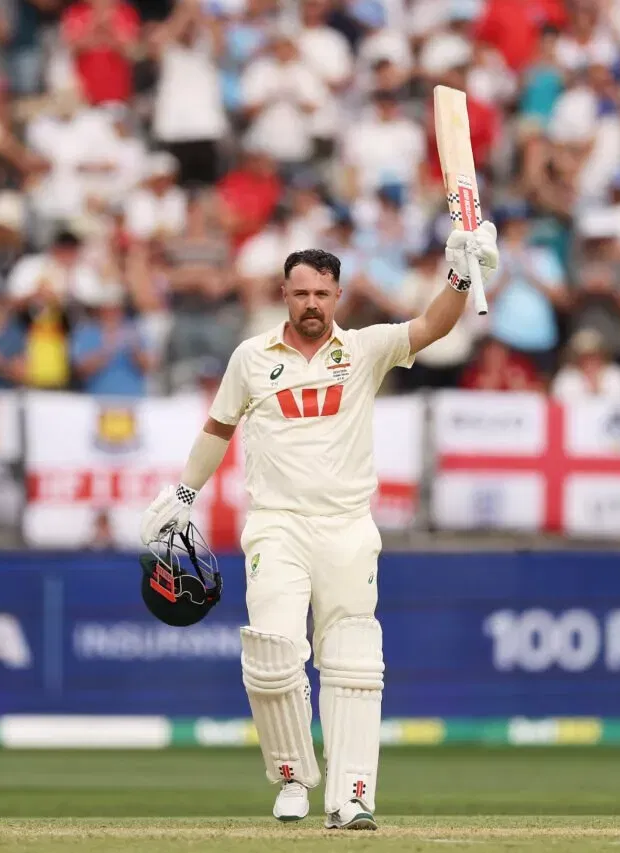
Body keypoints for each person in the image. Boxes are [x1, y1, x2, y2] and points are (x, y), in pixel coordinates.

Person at [138, 226, 499, 830]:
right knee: (273, 655)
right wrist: (183, 492)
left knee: (355, 663)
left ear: (338, 297)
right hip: (277, 526)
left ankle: (351, 795)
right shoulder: (251, 358)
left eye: (323, 294)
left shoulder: (364, 349)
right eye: (301, 293)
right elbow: (218, 429)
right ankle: (290, 777)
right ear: (284, 293)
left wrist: (461, 276)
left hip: (348, 528)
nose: (312, 304)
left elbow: (434, 326)